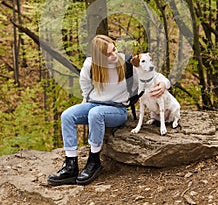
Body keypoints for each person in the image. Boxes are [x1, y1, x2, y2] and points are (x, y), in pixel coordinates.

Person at [48, 35, 169, 186]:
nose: (114, 55)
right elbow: (85, 85)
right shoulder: (90, 65)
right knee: (67, 115)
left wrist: (164, 84)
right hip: (93, 104)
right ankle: (70, 165)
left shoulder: (128, 63)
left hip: (116, 110)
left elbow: (156, 76)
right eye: (108, 54)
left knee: (95, 113)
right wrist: (84, 101)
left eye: (114, 50)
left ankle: (94, 162)